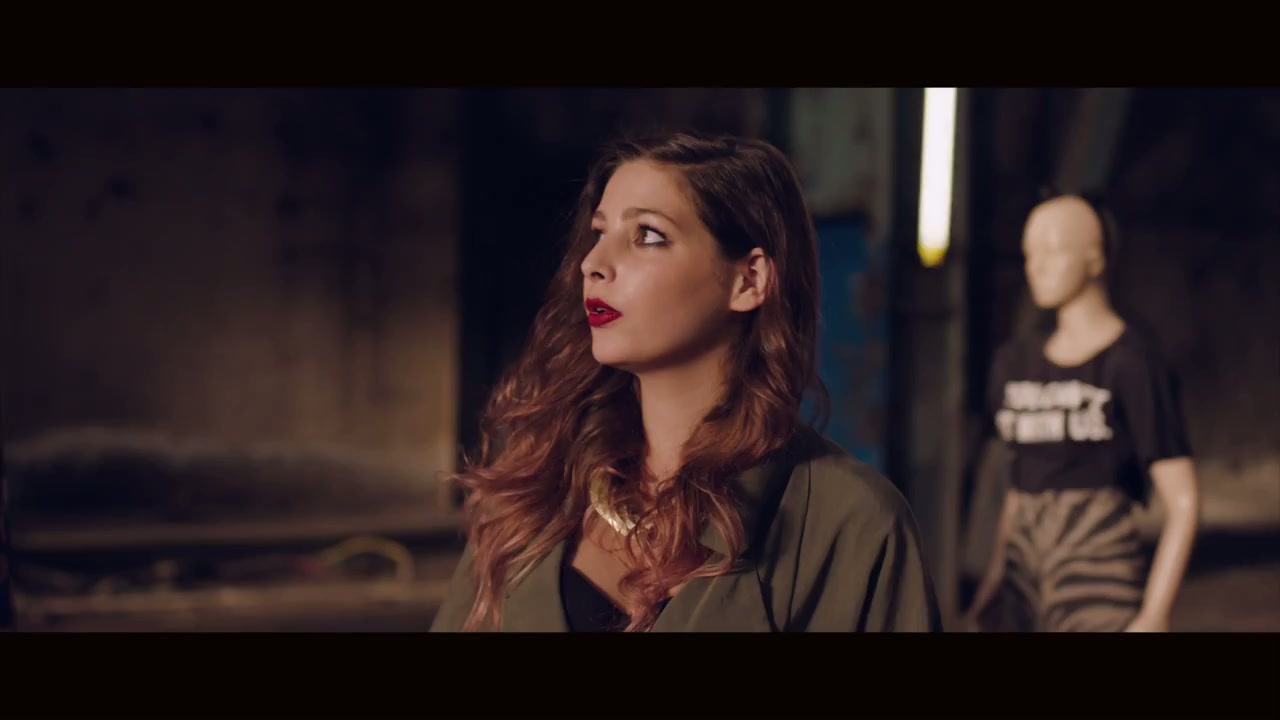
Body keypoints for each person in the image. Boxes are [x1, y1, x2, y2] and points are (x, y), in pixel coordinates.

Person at [430, 131, 941, 632]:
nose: (593, 264)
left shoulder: (851, 523)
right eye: (599, 233)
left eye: (647, 235)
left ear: (749, 280)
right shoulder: (531, 497)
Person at [963, 191, 1200, 632]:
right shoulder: (1014, 364)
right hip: (1022, 577)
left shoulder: (1131, 363)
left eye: (1053, 250)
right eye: (1029, 254)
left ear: (1095, 258)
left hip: (1097, 573)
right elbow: (1019, 485)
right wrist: (994, 579)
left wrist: (1154, 613)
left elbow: (1183, 499)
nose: (1036, 266)